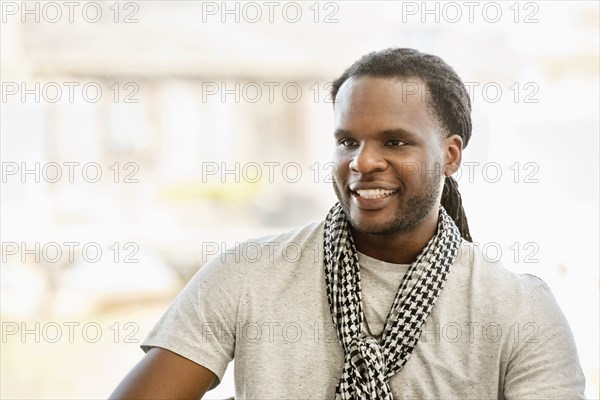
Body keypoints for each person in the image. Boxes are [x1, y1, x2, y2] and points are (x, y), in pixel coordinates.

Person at [110, 48, 585, 399]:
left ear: (451, 155)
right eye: (347, 141)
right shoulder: (247, 275)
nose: (363, 162)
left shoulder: (521, 311)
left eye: (395, 142)